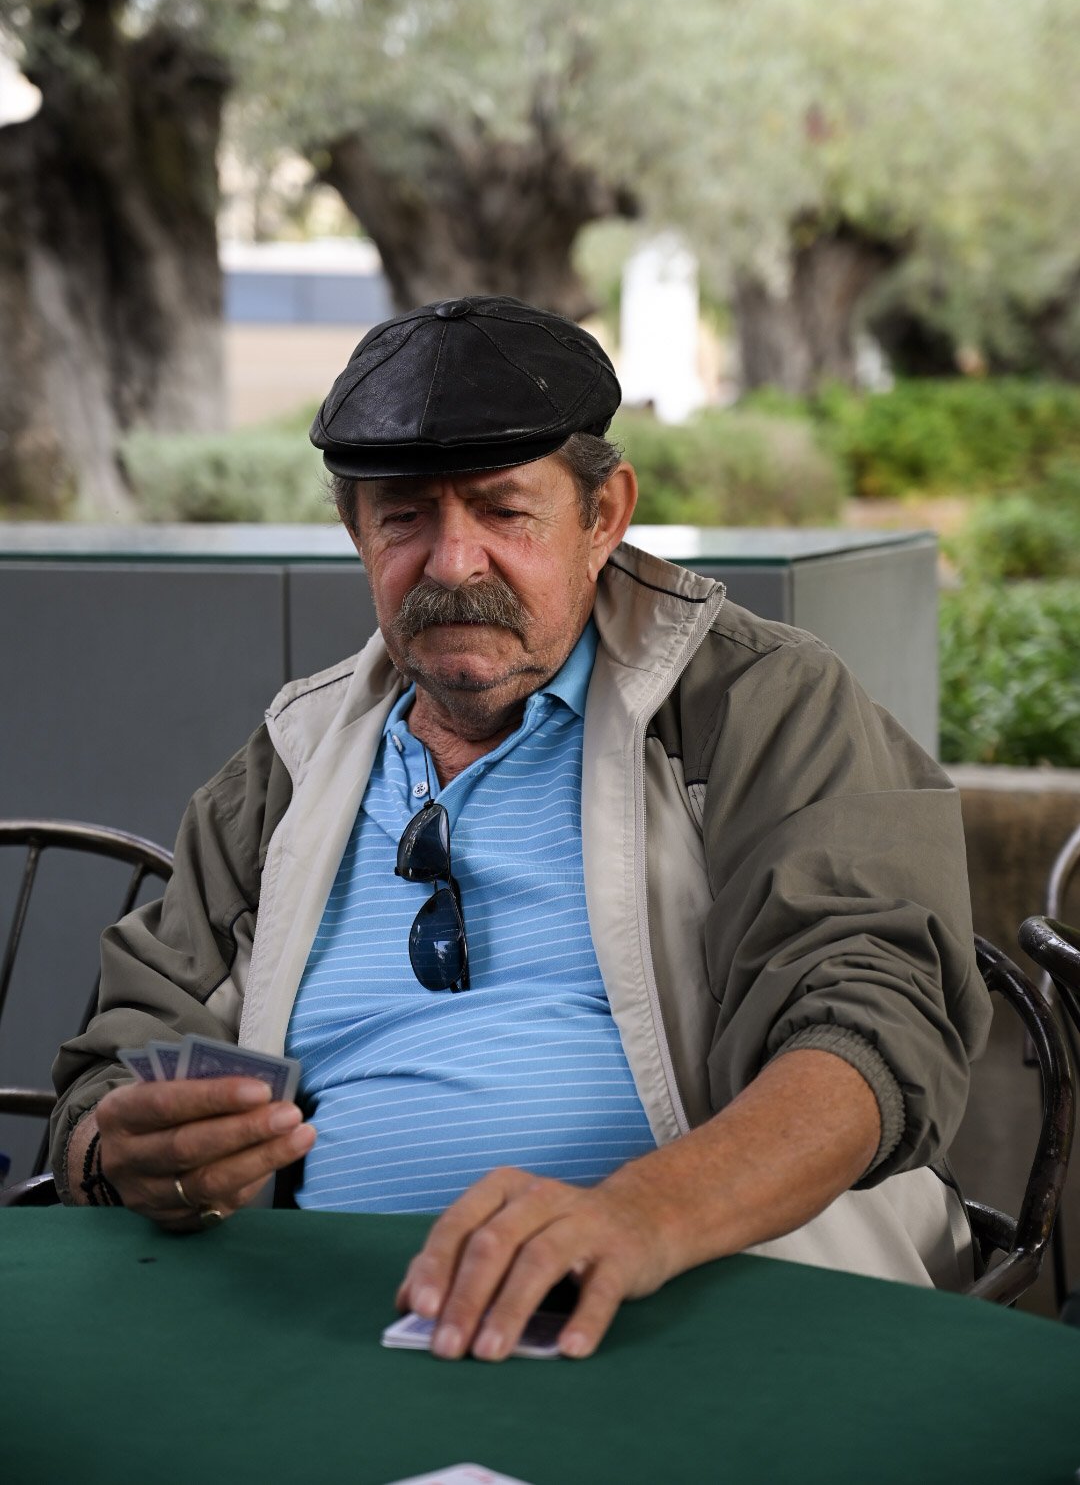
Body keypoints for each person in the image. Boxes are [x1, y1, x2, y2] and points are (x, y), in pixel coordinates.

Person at [52, 295, 991, 1362]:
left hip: (709, 1312)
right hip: (325, 1331)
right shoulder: (291, 764)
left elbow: (875, 1020)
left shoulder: (754, 706)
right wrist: (114, 1151)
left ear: (603, 516)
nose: (454, 563)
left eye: (504, 510)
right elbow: (120, 1059)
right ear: (357, 530)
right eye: (405, 515)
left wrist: (641, 1217)